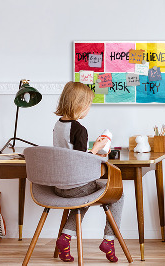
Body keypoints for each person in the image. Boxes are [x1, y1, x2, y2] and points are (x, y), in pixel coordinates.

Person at [53, 81, 123, 263]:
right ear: (79, 105)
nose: (89, 109)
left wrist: (92, 150)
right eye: (89, 105)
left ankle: (65, 238)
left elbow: (70, 154)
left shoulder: (58, 125)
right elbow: (80, 161)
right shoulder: (79, 129)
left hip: (59, 186)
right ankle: (109, 240)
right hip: (76, 186)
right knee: (118, 194)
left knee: (84, 197)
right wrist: (97, 149)